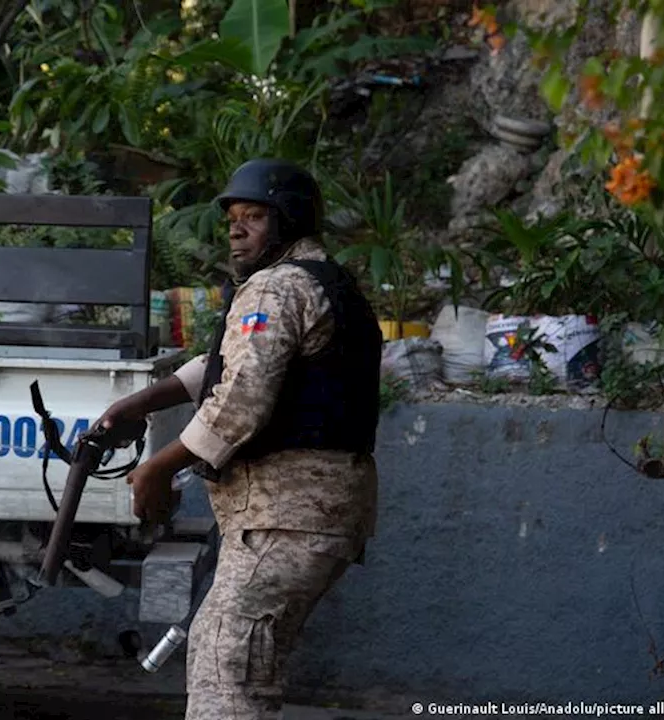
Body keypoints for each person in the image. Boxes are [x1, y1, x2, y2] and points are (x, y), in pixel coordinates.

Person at [99, 159, 382, 720]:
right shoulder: (324, 282)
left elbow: (241, 400)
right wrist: (141, 401)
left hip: (287, 512)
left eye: (254, 216)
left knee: (231, 666)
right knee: (226, 650)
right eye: (232, 217)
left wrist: (159, 466)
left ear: (290, 221)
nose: (236, 229)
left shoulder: (276, 288)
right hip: (306, 512)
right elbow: (232, 364)